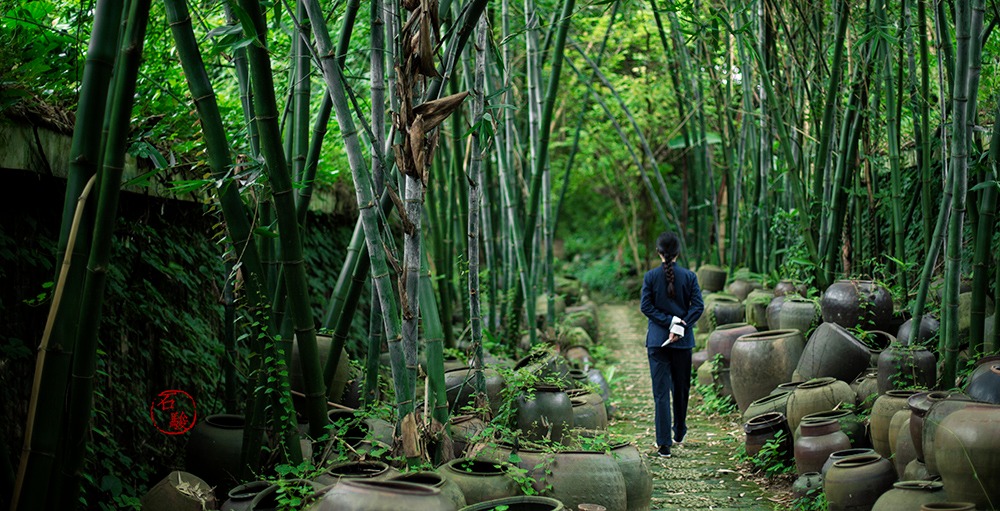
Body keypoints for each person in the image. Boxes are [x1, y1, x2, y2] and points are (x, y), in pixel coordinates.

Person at [640, 232, 704, 458]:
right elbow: (698, 306)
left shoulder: (650, 276)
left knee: (660, 394)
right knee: (681, 389)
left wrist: (668, 322)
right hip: (683, 342)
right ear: (678, 253)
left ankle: (664, 445)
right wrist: (680, 324)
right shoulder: (689, 276)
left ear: (659, 252)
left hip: (657, 342)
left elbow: (645, 307)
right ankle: (679, 432)